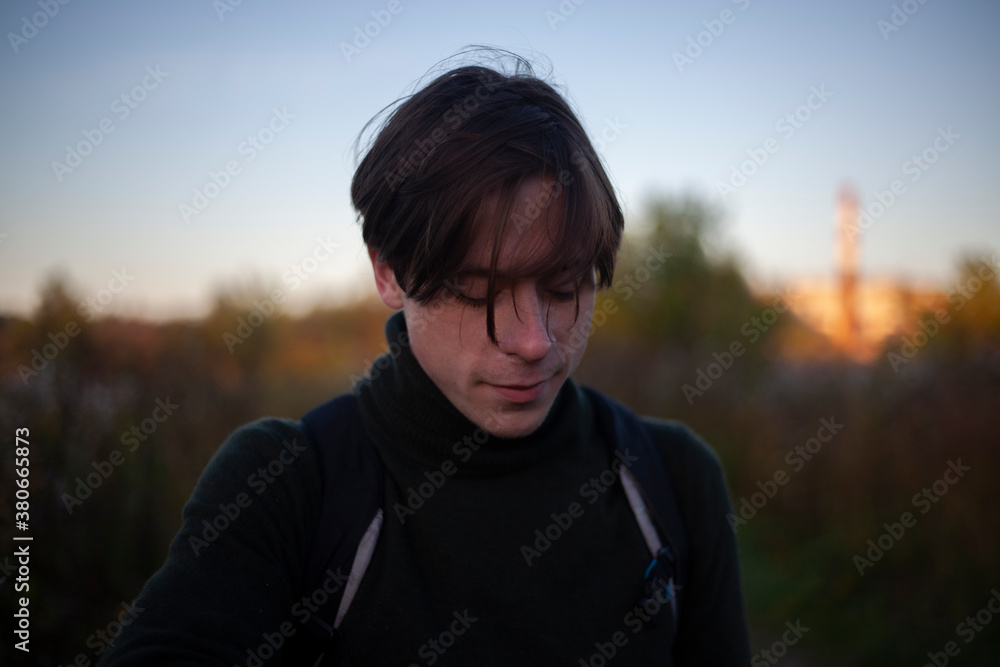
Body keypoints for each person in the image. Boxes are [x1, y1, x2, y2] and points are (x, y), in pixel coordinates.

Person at [101, 53, 750, 666]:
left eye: (562, 287)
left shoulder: (674, 480)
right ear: (388, 271)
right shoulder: (284, 488)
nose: (534, 342)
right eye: (477, 291)